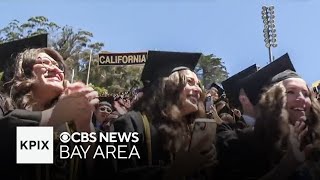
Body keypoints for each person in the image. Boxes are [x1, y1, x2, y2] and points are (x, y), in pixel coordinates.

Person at [101, 50, 216, 180]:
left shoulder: (192, 133)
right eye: (189, 82)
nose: (199, 89)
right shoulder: (130, 124)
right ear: (167, 85)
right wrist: (173, 172)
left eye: (198, 84)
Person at [1, 36, 98, 180]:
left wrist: (85, 128)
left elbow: (92, 171)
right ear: (25, 71)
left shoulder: (67, 124)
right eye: (45, 62)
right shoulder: (4, 103)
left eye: (59, 67)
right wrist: (53, 117)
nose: (55, 68)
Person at [214, 53, 320, 179]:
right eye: (291, 91)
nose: (301, 98)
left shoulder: (315, 142)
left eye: (305, 93)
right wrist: (288, 164)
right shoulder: (238, 143)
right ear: (274, 99)